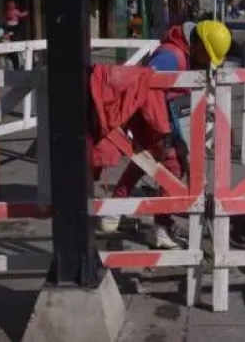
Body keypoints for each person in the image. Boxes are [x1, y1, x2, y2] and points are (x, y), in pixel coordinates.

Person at [99, 19, 232, 249]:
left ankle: (115, 211)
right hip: (155, 120)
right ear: (199, 43)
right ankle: (157, 226)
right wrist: (166, 128)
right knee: (172, 169)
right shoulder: (172, 56)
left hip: (164, 119)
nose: (209, 62)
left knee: (144, 163)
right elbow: (144, 85)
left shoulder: (184, 53)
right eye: (209, 55)